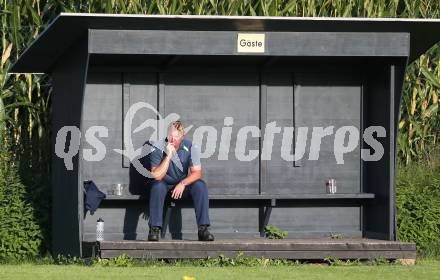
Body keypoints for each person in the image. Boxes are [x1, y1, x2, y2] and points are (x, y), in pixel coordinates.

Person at [146, 120, 214, 242]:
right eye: (170, 135)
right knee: (157, 186)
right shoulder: (157, 146)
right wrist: (168, 156)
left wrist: (183, 183)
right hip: (163, 186)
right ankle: (154, 229)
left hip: (181, 187)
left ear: (182, 137)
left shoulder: (191, 146)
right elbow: (156, 175)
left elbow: (197, 173)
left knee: (200, 185)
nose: (173, 138)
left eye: (176, 136)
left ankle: (203, 229)